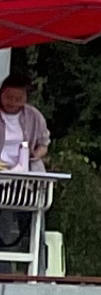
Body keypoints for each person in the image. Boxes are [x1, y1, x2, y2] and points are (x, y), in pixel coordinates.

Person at [0, 70, 48, 268]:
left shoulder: (33, 116)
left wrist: (36, 154)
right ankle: (4, 272)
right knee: (3, 224)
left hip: (25, 175)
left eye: (18, 98)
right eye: (8, 97)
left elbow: (44, 142)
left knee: (33, 222)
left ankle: (39, 271)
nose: (12, 102)